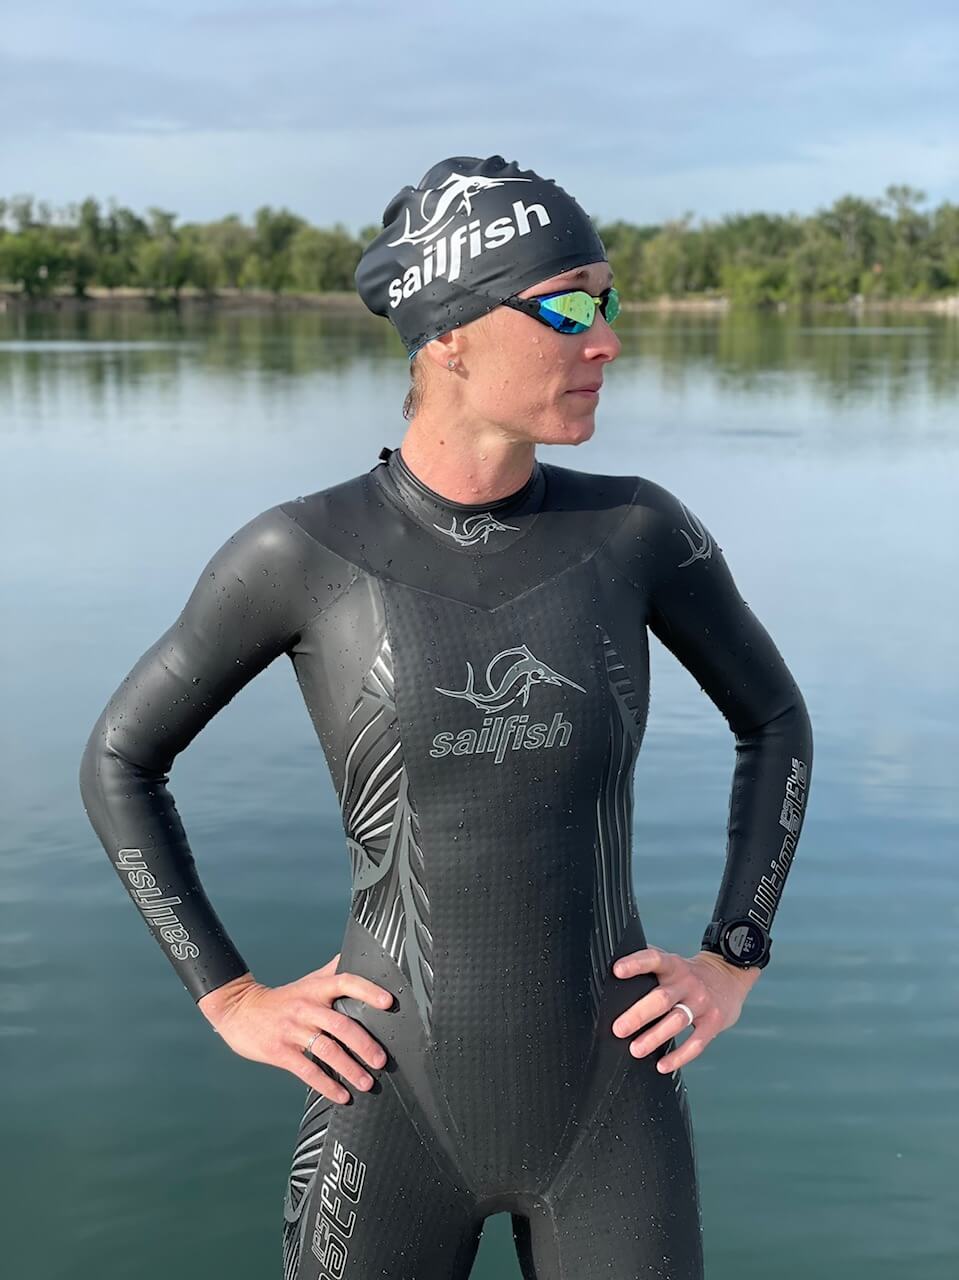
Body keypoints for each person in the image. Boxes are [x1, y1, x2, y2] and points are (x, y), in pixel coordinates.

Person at [79, 155, 813, 1280]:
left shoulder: (636, 532)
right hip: (384, 1098)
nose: (608, 341)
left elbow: (774, 722)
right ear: (450, 334)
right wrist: (229, 996)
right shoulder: (302, 553)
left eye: (608, 301)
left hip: (612, 1106)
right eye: (568, 307)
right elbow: (121, 760)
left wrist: (733, 956)